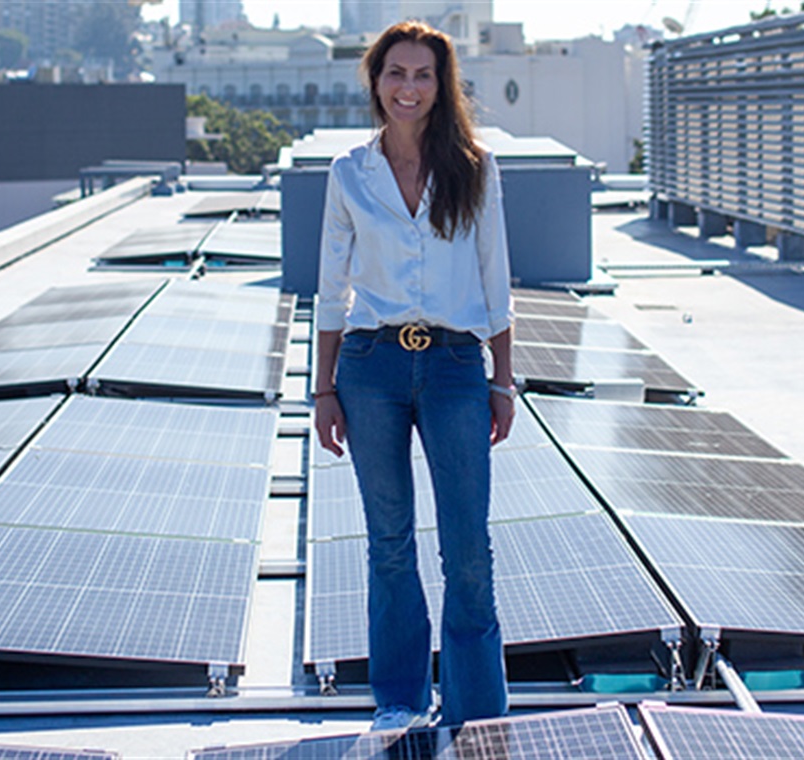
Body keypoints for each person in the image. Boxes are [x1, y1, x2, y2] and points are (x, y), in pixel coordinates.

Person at [312, 20, 515, 730]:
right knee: (389, 541)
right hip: (371, 369)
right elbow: (330, 288)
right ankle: (399, 703)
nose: (408, 87)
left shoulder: (477, 167)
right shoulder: (348, 173)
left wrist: (503, 379)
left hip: (459, 367)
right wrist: (324, 388)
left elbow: (497, 279)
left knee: (468, 548)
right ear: (375, 81)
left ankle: (478, 713)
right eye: (395, 73)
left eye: (422, 75)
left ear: (441, 84)